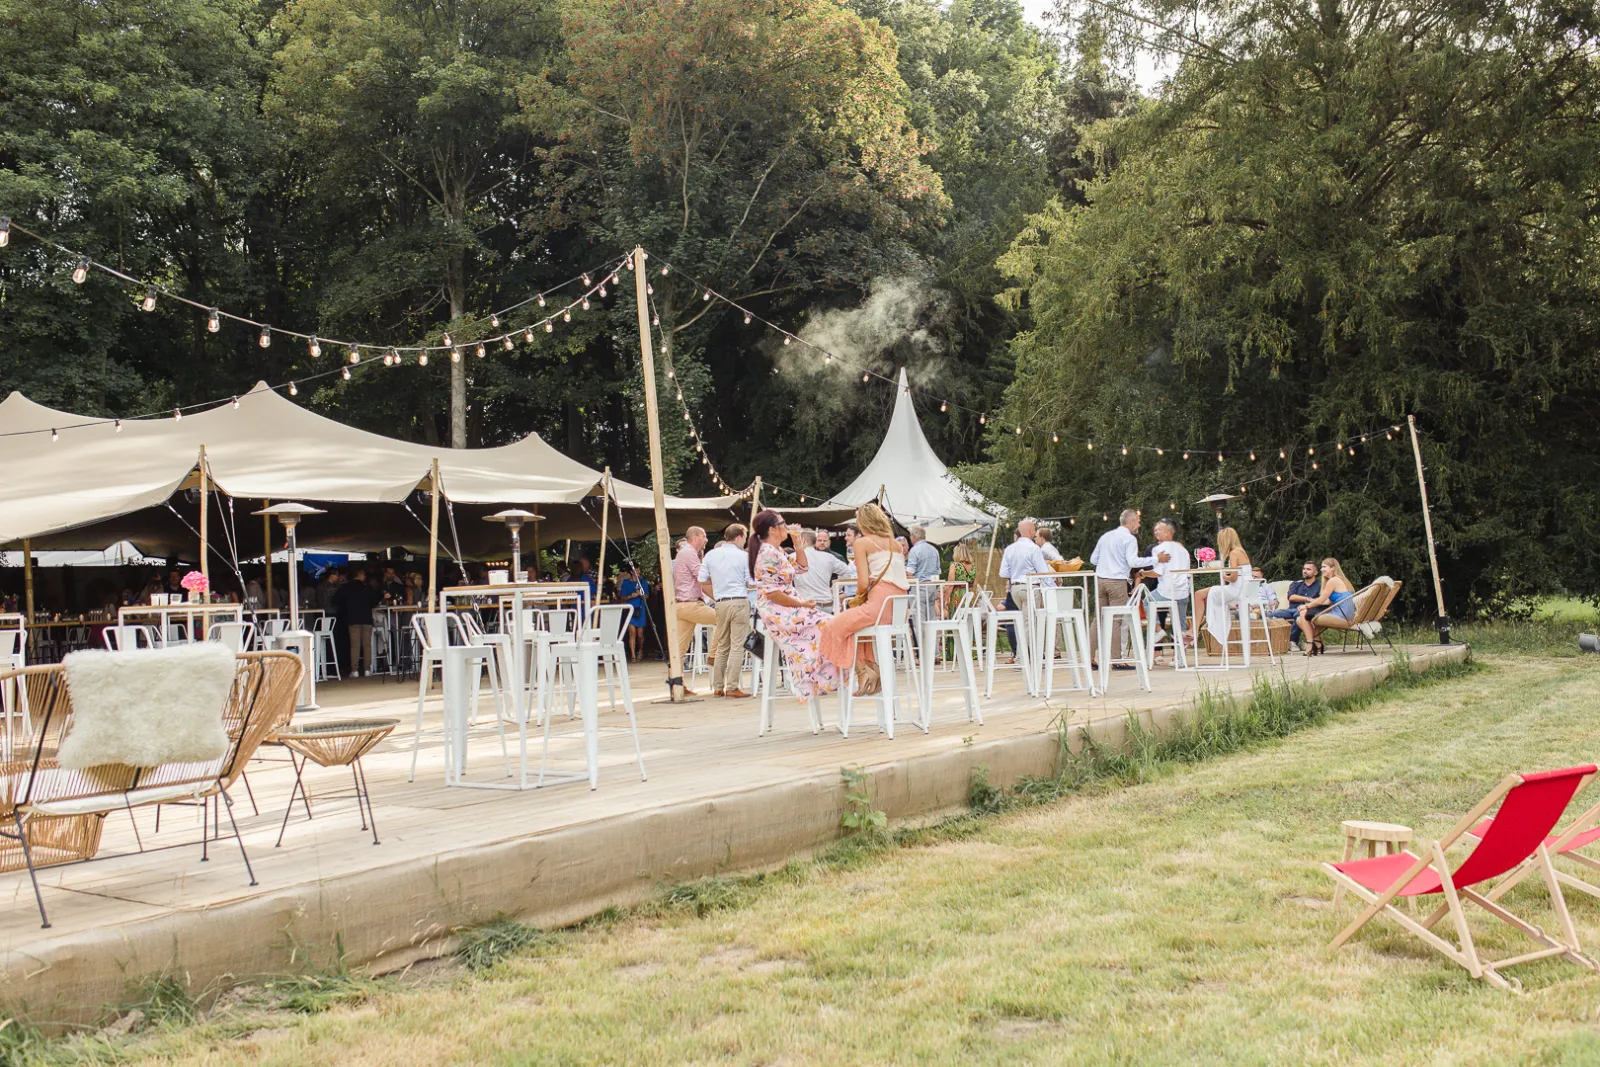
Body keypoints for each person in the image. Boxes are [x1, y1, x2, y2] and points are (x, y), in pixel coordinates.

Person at [749, 511, 842, 702]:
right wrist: (801, 604)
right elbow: (772, 593)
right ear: (773, 529)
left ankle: (822, 674)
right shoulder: (767, 553)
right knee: (829, 624)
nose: (787, 526)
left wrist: (797, 543)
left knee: (831, 623)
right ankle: (820, 675)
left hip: (789, 606)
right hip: (778, 610)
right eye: (783, 523)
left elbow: (801, 568)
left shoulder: (777, 551)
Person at [819, 503, 909, 696]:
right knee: (857, 629)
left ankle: (863, 671)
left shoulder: (862, 543)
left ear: (862, 523)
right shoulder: (896, 544)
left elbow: (861, 583)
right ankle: (872, 668)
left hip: (879, 607)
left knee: (832, 626)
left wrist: (860, 594)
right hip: (899, 609)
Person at [1090, 509, 1162, 670]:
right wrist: (1157, 558)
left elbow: (1093, 559)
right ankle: (1116, 659)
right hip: (1117, 582)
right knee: (1116, 620)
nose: (1139, 524)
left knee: (1098, 620)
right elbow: (1133, 561)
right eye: (1137, 521)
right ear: (1130, 522)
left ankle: (1089, 657)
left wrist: (1107, 562)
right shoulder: (1129, 539)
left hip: (1100, 580)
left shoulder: (1106, 536)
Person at [698, 523, 752, 698]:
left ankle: (718, 686)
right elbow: (750, 582)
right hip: (739, 601)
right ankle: (732, 686)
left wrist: (717, 594)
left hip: (720, 602)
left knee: (722, 644)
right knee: (737, 646)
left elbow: (702, 579)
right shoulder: (743, 556)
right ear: (739, 537)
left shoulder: (711, 555)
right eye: (744, 538)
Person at [671, 527, 716, 694]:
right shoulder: (689, 553)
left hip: (682, 605)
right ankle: (713, 656)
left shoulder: (683, 553)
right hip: (690, 605)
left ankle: (677, 685)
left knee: (679, 649)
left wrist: (716, 597)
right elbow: (702, 578)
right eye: (704, 536)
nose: (706, 540)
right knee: (726, 618)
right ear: (696, 537)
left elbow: (700, 583)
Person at [996, 519, 1049, 658]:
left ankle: (1025, 655)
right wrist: (1051, 585)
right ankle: (1023, 657)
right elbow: (1043, 571)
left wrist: (1016, 572)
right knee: (1029, 623)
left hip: (1015, 589)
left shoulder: (1010, 549)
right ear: (1031, 532)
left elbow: (1003, 573)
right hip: (1030, 587)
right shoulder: (1034, 548)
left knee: (1023, 622)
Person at [1196, 526, 1253, 648]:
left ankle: (1194, 631)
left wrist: (1224, 576)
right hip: (1244, 590)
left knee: (1199, 594)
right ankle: (1195, 629)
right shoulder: (1241, 552)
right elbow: (1238, 574)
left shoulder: (1234, 553)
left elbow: (1233, 577)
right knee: (1205, 597)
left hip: (1236, 591)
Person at [1142, 518, 1192, 655]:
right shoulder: (1183, 550)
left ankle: (1158, 630)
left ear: (1169, 532)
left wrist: (1143, 573)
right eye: (1155, 530)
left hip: (1166, 592)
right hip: (1183, 592)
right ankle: (1180, 658)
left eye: (1160, 529)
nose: (1156, 532)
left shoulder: (1158, 549)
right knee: (1180, 623)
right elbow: (1187, 574)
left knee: (1147, 601)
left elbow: (1157, 573)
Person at [1296, 558, 1357, 655]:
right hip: (1348, 615)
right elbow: (1327, 601)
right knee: (1301, 619)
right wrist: (1310, 604)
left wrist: (1306, 606)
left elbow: (1321, 600)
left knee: (1302, 615)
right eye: (1321, 567)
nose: (1321, 569)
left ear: (1333, 568)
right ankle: (1317, 643)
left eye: (1324, 567)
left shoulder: (1333, 580)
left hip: (1342, 616)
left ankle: (1310, 644)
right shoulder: (1341, 580)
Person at [793, 529, 854, 613]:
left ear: (803, 541)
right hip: (828, 604)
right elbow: (847, 572)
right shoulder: (829, 557)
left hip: (807, 604)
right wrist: (834, 590)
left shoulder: (792, 557)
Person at [333, 567, 379, 678]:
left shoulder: (345, 588)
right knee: (367, 645)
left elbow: (336, 601)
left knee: (355, 645)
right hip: (367, 618)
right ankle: (367, 669)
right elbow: (374, 602)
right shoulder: (367, 588)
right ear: (360, 574)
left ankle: (355, 670)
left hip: (352, 618)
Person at [1271, 560, 1322, 649]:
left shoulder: (1319, 586)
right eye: (1304, 569)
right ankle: (1273, 643)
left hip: (1308, 611)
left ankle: (1293, 641)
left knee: (1299, 614)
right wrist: (1308, 599)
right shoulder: (1296, 584)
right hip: (1290, 610)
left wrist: (1310, 603)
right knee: (1273, 614)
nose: (1305, 571)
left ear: (1315, 572)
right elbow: (1291, 597)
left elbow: (1320, 600)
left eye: (1308, 569)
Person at [906, 524, 942, 631]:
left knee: (919, 620)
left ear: (913, 537)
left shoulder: (915, 550)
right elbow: (937, 571)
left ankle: (922, 645)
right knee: (931, 620)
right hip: (931, 587)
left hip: (919, 588)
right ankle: (932, 647)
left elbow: (910, 571)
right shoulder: (934, 550)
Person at [618, 562, 649, 662]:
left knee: (640, 634)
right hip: (630, 609)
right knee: (632, 633)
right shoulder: (626, 583)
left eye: (639, 569)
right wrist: (630, 596)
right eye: (636, 570)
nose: (638, 572)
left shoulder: (642, 582)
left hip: (640, 609)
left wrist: (641, 594)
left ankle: (640, 650)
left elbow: (647, 596)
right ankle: (633, 655)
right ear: (631, 572)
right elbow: (622, 597)